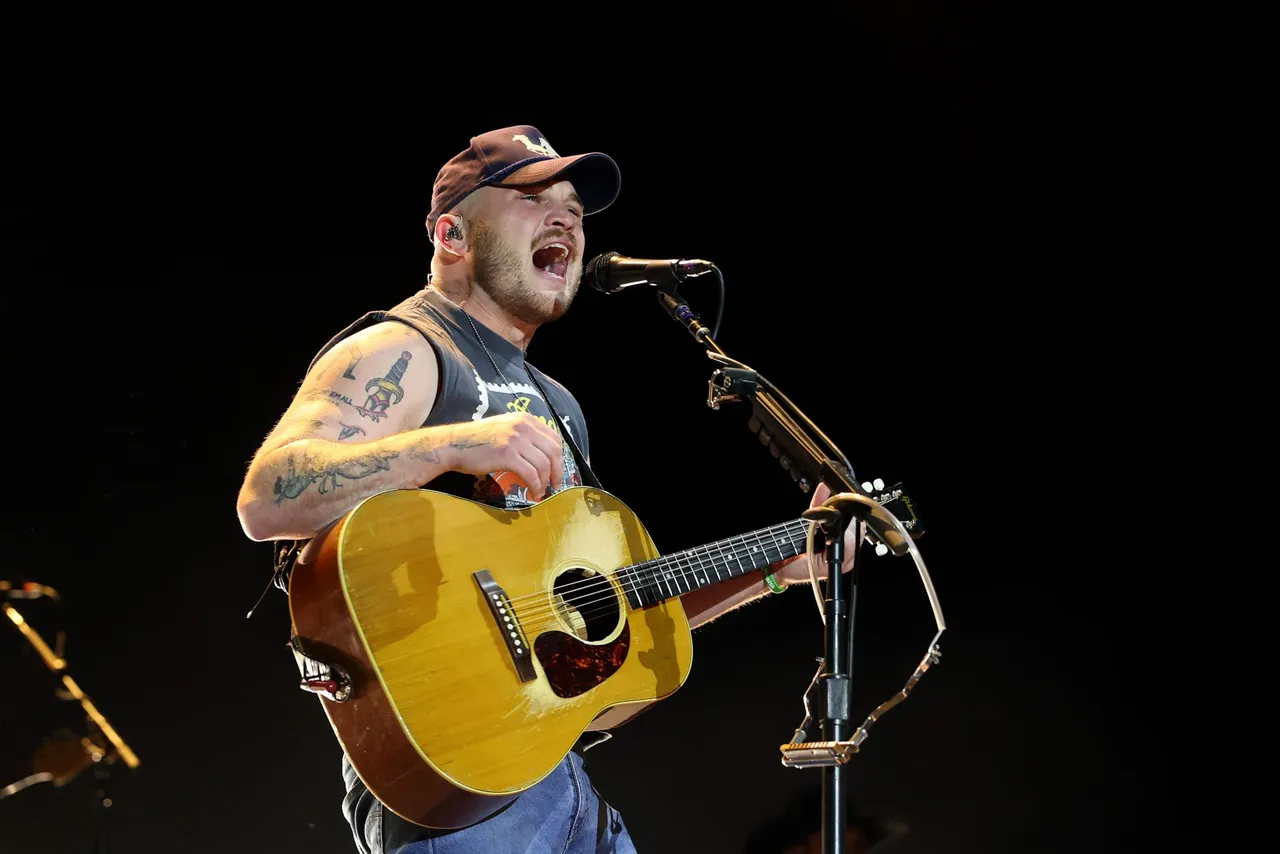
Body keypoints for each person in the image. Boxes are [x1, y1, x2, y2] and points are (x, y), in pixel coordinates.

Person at [235, 125, 861, 854]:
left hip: (555, 785)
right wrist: (458, 441)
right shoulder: (405, 349)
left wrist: (776, 573)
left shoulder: (559, 409)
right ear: (452, 233)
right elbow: (268, 496)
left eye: (574, 207)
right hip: (451, 803)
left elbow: (595, 649)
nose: (567, 218)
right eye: (533, 198)